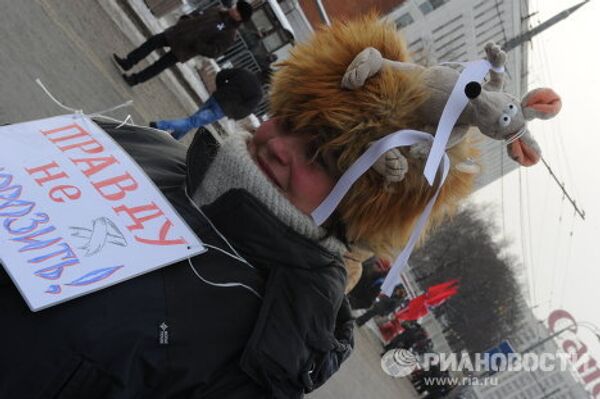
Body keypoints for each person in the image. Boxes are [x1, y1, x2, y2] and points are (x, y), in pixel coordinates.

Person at [1, 15, 480, 398]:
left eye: (320, 155)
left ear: (359, 210)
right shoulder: (152, 147)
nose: (275, 143)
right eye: (288, 118)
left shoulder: (264, 355)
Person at [112, 1, 253, 86]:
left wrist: (197, 45)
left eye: (236, 9)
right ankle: (128, 62)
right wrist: (185, 19)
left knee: (159, 65)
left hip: (186, 48)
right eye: (235, 5)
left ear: (239, 17)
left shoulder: (230, 34)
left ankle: (135, 79)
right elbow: (199, 14)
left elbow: (214, 51)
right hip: (178, 33)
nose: (233, 7)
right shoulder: (218, 10)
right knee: (152, 42)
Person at [151, 67, 263, 139]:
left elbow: (222, 74)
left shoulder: (244, 72)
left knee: (193, 120)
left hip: (216, 98)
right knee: (193, 121)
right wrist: (233, 113)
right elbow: (246, 110)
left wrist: (220, 88)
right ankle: (160, 125)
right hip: (223, 109)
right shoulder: (258, 93)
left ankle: (174, 137)